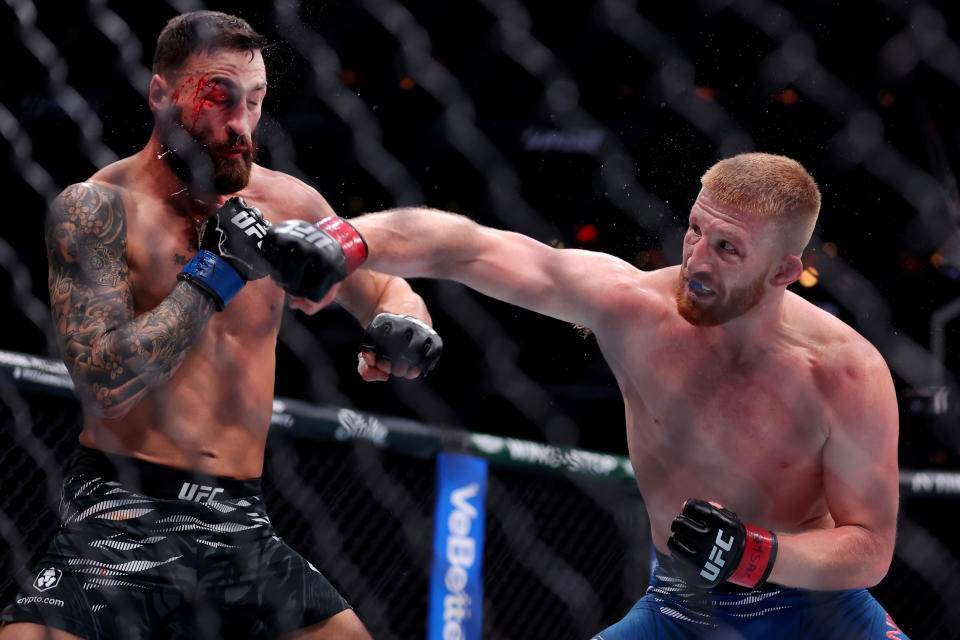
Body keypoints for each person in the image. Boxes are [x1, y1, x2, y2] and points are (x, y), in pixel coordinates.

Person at [0, 10, 441, 640]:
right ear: (160, 95)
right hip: (120, 513)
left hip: (243, 524)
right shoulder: (95, 208)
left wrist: (403, 324)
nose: (241, 125)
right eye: (219, 99)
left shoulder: (290, 204)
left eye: (256, 101)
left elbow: (384, 286)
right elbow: (104, 380)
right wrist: (215, 273)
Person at [337, 152, 909, 638]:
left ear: (785, 271)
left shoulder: (844, 373)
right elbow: (469, 248)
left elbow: (870, 548)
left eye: (728, 249)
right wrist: (345, 241)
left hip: (819, 617)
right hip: (680, 611)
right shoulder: (635, 309)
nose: (696, 261)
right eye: (694, 230)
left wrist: (756, 552)